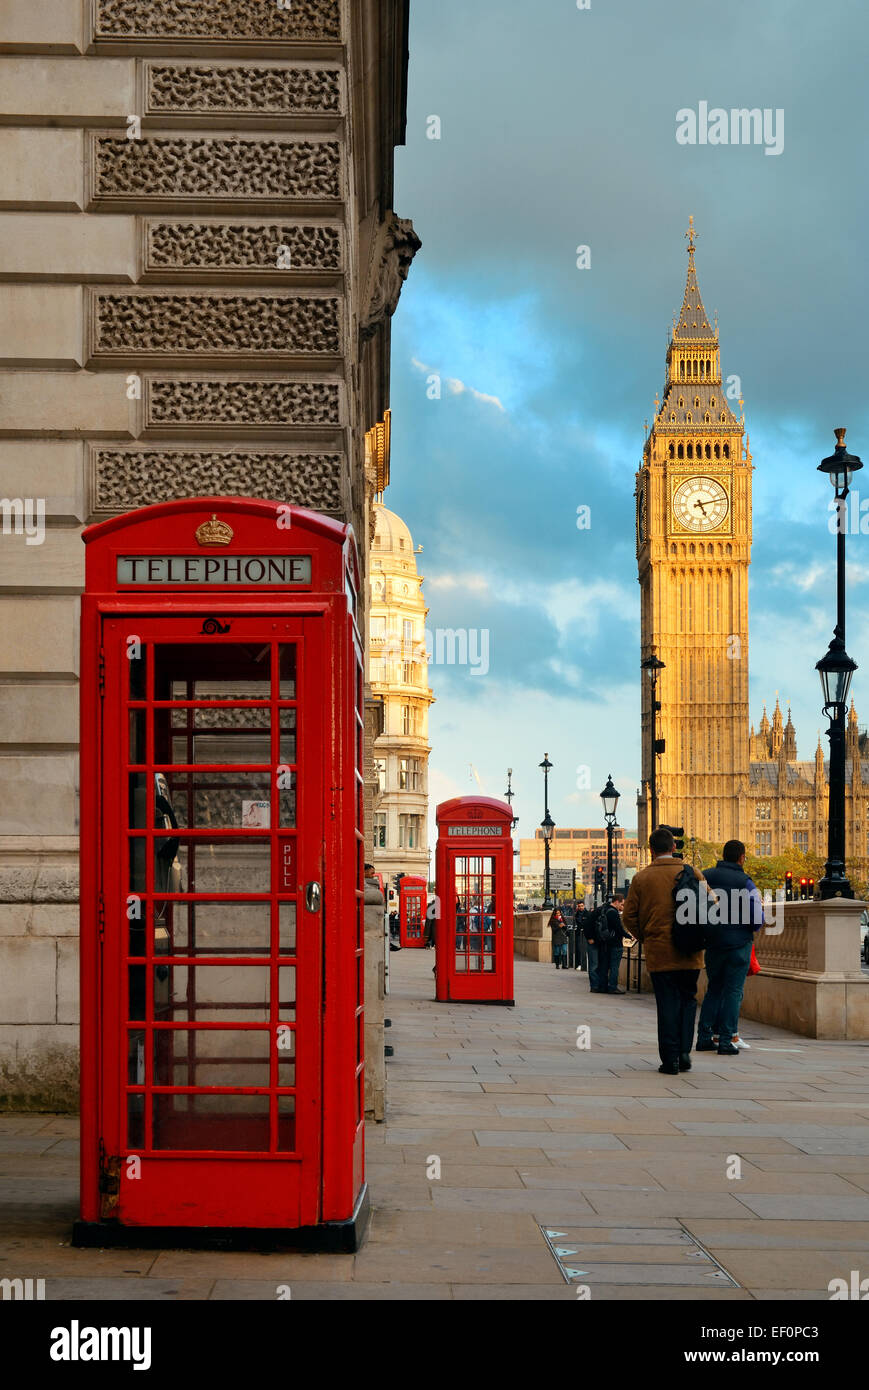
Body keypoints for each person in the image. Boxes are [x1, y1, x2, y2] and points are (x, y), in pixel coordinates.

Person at [622, 826, 711, 1074]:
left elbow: (628, 917)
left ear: (651, 850)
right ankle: (684, 1053)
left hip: (660, 952)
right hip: (691, 951)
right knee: (688, 1000)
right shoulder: (692, 872)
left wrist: (647, 936)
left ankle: (670, 1059)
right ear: (673, 847)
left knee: (667, 1004)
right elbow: (712, 904)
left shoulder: (642, 878)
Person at [697, 839, 763, 1056]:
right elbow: (756, 918)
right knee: (734, 992)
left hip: (713, 943)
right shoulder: (746, 882)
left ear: (723, 856)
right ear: (742, 857)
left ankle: (704, 1037)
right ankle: (726, 1039)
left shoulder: (706, 876)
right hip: (738, 944)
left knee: (713, 990)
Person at [584, 894, 626, 993]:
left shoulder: (605, 910)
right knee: (594, 964)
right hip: (594, 940)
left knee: (601, 964)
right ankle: (595, 986)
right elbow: (587, 923)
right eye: (622, 904)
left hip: (602, 942)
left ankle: (600, 986)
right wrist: (589, 937)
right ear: (616, 902)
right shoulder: (602, 910)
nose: (622, 907)